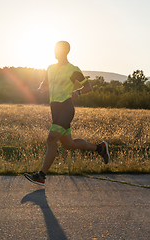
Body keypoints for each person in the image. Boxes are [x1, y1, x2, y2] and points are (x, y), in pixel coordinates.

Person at [24, 41, 110, 186]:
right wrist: (40, 89)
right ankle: (101, 148)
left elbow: (88, 86)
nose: (54, 52)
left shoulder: (73, 69)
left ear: (64, 51)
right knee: (69, 144)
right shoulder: (50, 68)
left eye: (56, 49)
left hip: (66, 107)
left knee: (51, 139)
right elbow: (45, 83)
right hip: (55, 109)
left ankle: (41, 175)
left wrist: (79, 92)